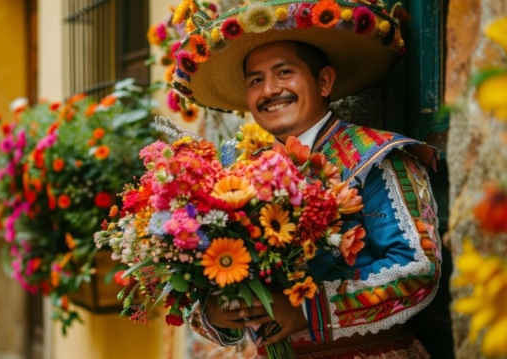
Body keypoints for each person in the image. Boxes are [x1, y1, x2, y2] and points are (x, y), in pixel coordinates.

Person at [170, 0, 441, 358]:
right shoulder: (235, 174)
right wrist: (217, 312)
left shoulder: (375, 156)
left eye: (284, 73)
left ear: (324, 81)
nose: (269, 91)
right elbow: (204, 283)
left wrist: (307, 312)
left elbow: (418, 269)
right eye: (256, 80)